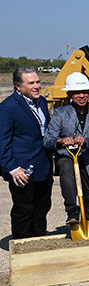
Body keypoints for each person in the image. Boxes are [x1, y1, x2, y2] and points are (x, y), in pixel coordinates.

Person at [43, 72, 89, 225]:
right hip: (67, 156)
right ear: (70, 94)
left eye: (84, 92)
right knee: (66, 168)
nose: (81, 96)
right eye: (77, 93)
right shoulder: (60, 114)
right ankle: (72, 211)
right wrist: (61, 141)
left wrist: (87, 141)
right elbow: (48, 140)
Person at [0, 67, 53, 239]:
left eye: (38, 82)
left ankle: (38, 243)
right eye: (31, 83)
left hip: (43, 167)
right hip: (22, 171)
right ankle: (22, 247)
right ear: (18, 86)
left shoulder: (42, 102)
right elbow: (2, 141)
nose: (37, 86)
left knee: (42, 208)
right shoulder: (7, 108)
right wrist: (13, 168)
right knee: (24, 211)